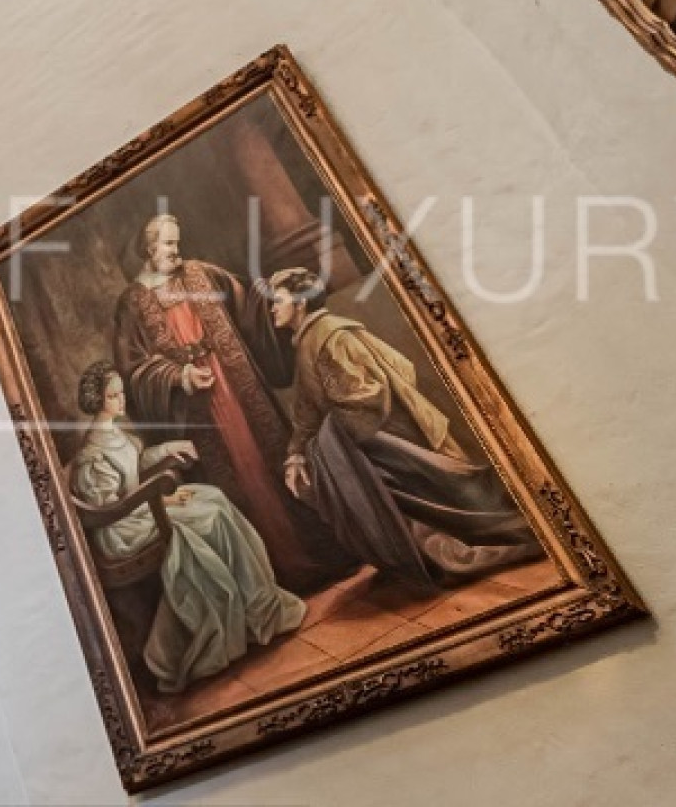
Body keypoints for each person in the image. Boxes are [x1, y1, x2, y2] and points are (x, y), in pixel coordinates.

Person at [262, 268, 542, 587]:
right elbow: (307, 411)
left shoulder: (331, 336)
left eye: (277, 301)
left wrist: (331, 438)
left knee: (445, 498)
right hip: (371, 439)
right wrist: (297, 455)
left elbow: (367, 397)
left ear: (300, 303)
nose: (272, 309)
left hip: (391, 435)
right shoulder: (309, 341)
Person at [110, 214, 334, 591]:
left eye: (177, 242)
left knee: (265, 457)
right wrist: (178, 376)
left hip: (238, 385)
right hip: (196, 404)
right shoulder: (132, 303)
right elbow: (134, 371)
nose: (176, 251)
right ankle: (266, 576)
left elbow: (250, 303)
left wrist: (286, 293)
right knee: (231, 475)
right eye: (168, 244)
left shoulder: (200, 273)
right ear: (148, 249)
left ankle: (310, 553)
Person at [70, 362, 305, 694]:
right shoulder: (92, 455)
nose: (122, 400)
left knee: (214, 498)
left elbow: (138, 463)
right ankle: (231, 620)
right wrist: (163, 500)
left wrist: (171, 448)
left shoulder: (115, 434)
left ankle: (258, 606)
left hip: (141, 509)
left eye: (121, 393)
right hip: (122, 529)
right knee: (206, 516)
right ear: (98, 402)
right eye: (114, 396)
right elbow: (111, 507)